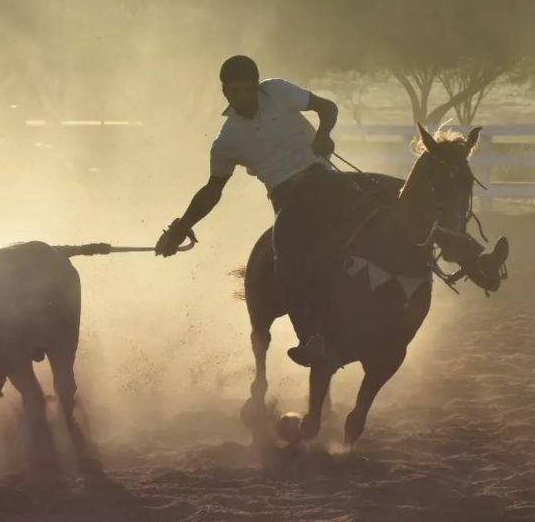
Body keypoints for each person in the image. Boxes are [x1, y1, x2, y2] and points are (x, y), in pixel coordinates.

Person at [154, 55, 508, 367]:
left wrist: (324, 134)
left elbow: (327, 108)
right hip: (289, 200)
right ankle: (313, 338)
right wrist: (181, 226)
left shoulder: (276, 91)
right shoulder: (227, 140)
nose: (242, 96)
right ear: (225, 92)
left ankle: (477, 261)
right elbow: (212, 190)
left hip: (327, 180)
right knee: (288, 260)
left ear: (256, 85)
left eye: (246, 88)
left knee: (405, 195)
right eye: (234, 91)